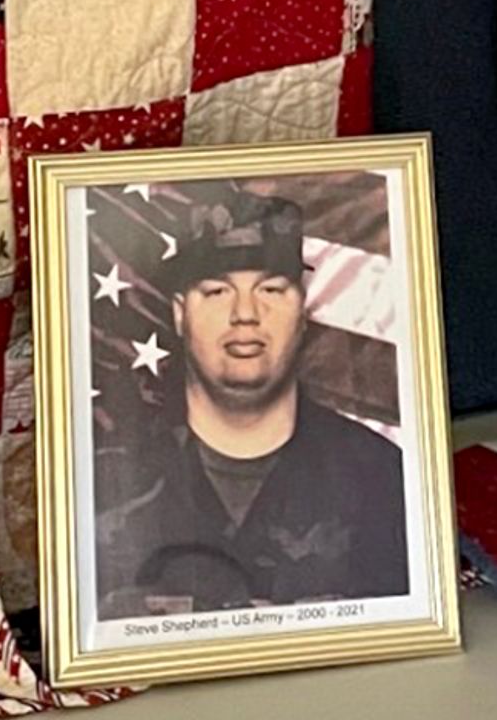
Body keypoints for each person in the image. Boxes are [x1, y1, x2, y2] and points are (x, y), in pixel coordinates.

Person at [94, 190, 411, 618]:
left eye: (271, 289)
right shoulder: (106, 477)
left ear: (302, 311)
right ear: (179, 314)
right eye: (218, 291)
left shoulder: (384, 478)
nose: (245, 312)